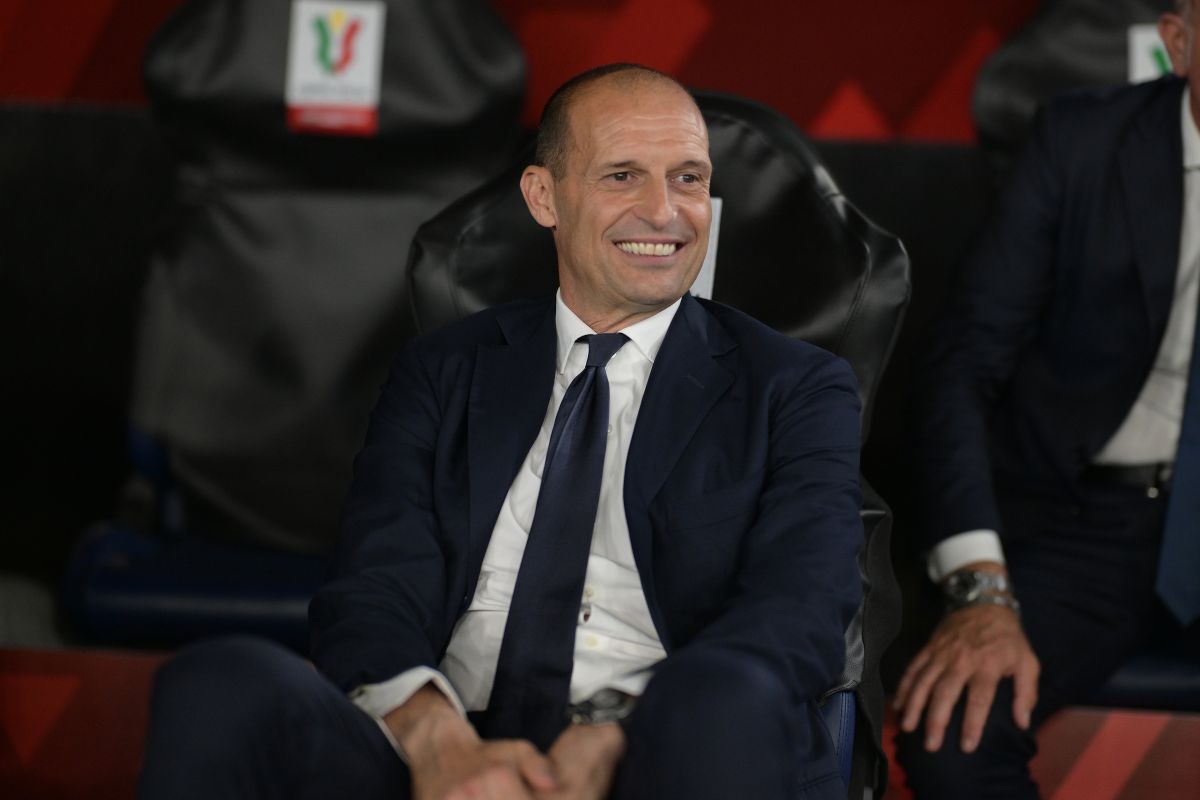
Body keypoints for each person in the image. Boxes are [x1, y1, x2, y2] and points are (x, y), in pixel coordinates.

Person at [138, 64, 865, 800]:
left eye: (688, 179)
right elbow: (374, 587)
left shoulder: (796, 387)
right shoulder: (444, 369)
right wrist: (439, 743)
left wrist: (624, 728)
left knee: (723, 702)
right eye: (622, 177)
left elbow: (801, 609)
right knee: (218, 682)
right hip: (445, 750)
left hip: (665, 747)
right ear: (543, 197)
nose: (664, 211)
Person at [894, 3, 1200, 797]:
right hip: (1086, 522)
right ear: (1179, 45)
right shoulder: (1080, 139)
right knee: (953, 739)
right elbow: (962, 365)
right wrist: (980, 586)